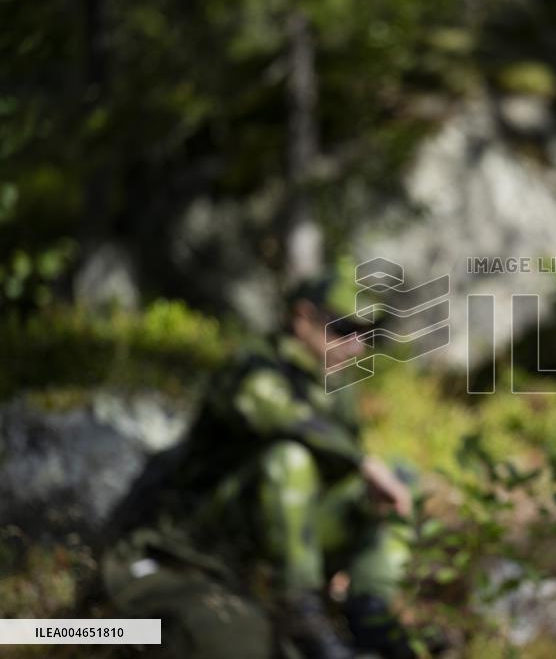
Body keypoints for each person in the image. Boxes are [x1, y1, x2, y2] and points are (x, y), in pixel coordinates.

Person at [101, 275, 416, 659]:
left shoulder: (337, 388)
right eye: (346, 328)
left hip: (263, 552)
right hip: (191, 540)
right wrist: (363, 462)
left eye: (367, 333)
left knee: (399, 481)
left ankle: (367, 612)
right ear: (303, 317)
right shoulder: (253, 364)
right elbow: (278, 416)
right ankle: (301, 613)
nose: (357, 344)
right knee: (290, 460)